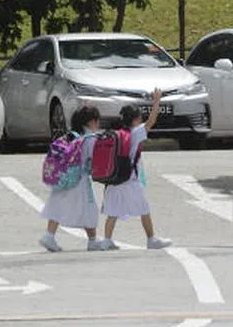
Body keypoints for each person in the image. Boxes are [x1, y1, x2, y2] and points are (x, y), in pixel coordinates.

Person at [100, 89, 172, 250]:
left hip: (113, 179)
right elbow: (151, 122)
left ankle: (107, 239)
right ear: (136, 120)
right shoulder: (136, 133)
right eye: (139, 118)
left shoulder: (117, 134)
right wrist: (156, 102)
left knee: (113, 212)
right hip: (130, 179)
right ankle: (151, 239)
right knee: (144, 209)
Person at [40, 105, 106, 252]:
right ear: (91, 122)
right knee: (88, 208)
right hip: (78, 180)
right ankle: (93, 240)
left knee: (56, 204)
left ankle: (49, 235)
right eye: (97, 120)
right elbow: (91, 160)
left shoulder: (70, 135)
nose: (98, 124)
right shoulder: (90, 139)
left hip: (61, 177)